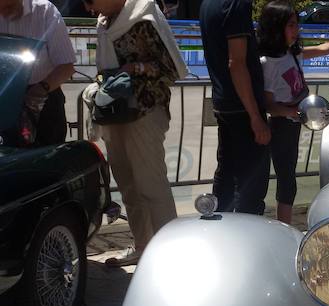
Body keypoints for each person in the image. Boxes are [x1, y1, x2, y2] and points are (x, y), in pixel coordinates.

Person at [87, 0, 187, 266]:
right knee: (129, 187)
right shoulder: (104, 22)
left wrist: (133, 70)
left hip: (144, 111)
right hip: (114, 113)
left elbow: (170, 70)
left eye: (90, 1)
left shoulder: (143, 15)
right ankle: (143, 247)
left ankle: (170, 257)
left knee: (152, 185)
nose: (88, 9)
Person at [257, 1, 329, 225]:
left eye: (296, 25)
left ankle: (285, 224)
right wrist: (295, 111)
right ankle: (283, 226)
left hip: (292, 123)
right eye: (291, 25)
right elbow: (270, 105)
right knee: (285, 179)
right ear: (276, 27)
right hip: (280, 125)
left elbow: (322, 49)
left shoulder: (292, 54)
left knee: (288, 178)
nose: (296, 30)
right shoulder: (268, 63)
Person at [200, 0, 270, 215]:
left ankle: (220, 231)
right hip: (242, 106)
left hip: (224, 102)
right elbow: (237, 63)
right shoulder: (236, 4)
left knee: (226, 177)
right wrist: (255, 116)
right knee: (251, 186)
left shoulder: (207, 4)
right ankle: (247, 241)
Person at [0, 0, 76, 146]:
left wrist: (40, 90)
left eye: (7, 6)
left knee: (46, 160)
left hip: (44, 99)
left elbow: (66, 65)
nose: (3, 12)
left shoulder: (45, 11)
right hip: (4, 100)